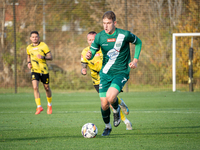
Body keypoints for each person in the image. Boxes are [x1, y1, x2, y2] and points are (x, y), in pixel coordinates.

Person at [86, 11, 142, 136]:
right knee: (104, 104)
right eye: (104, 23)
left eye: (109, 23)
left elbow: (138, 42)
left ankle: (116, 110)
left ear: (114, 23)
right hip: (105, 73)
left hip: (121, 72)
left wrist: (135, 60)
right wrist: (89, 55)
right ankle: (107, 127)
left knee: (111, 97)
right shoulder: (100, 37)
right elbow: (92, 52)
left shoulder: (124, 34)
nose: (106, 26)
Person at [81, 31, 132, 130]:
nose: (92, 42)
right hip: (97, 81)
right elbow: (84, 63)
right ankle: (120, 104)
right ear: (87, 40)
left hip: (109, 77)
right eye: (89, 40)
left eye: (94, 39)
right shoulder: (85, 52)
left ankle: (125, 121)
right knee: (106, 103)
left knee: (110, 101)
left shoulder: (105, 49)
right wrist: (83, 69)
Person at [27, 31, 53, 115]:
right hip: (34, 70)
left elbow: (50, 57)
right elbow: (28, 56)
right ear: (30, 38)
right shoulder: (28, 47)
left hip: (44, 70)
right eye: (33, 37)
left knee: (47, 88)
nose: (34, 38)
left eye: (36, 37)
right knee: (35, 87)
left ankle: (49, 105)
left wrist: (43, 57)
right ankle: (39, 106)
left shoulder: (43, 46)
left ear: (39, 37)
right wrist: (28, 63)